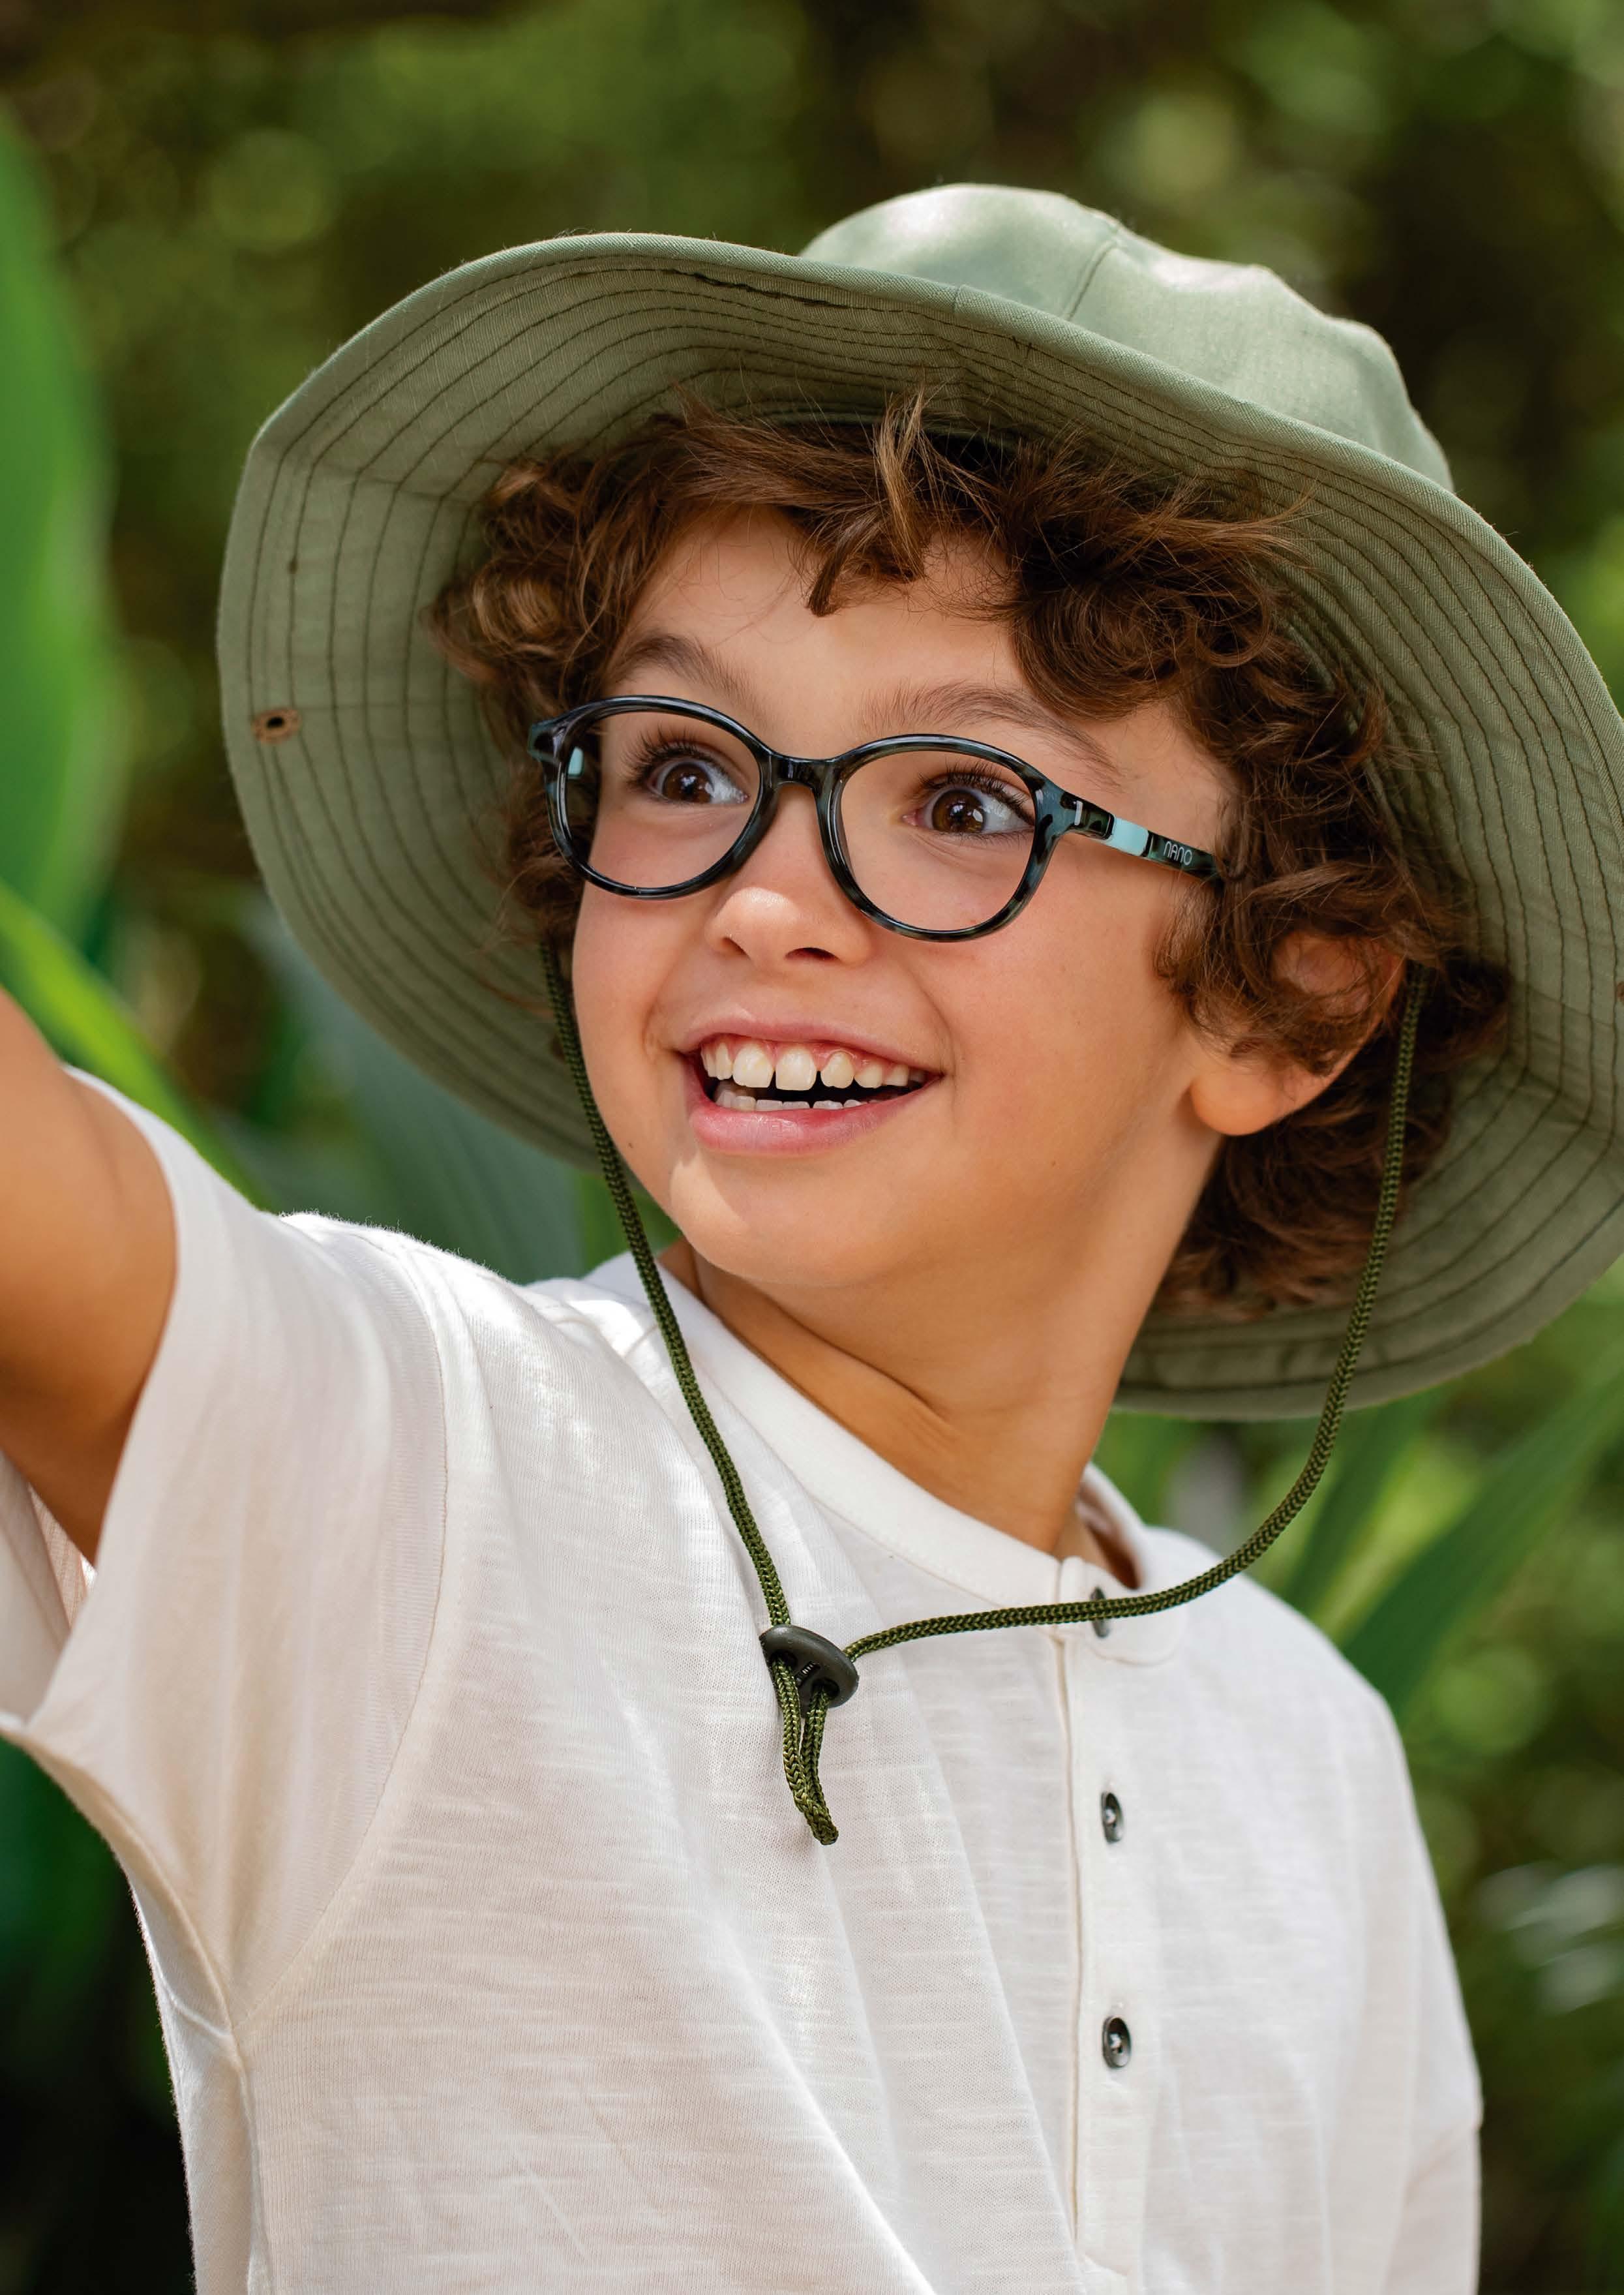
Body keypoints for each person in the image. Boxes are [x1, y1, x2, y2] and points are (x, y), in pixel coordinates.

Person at [1, 182, 1619, 2294]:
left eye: (963, 802)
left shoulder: (1307, 1754)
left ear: (1289, 1000)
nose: (763, 897)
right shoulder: (410, 1474)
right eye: (683, 768)